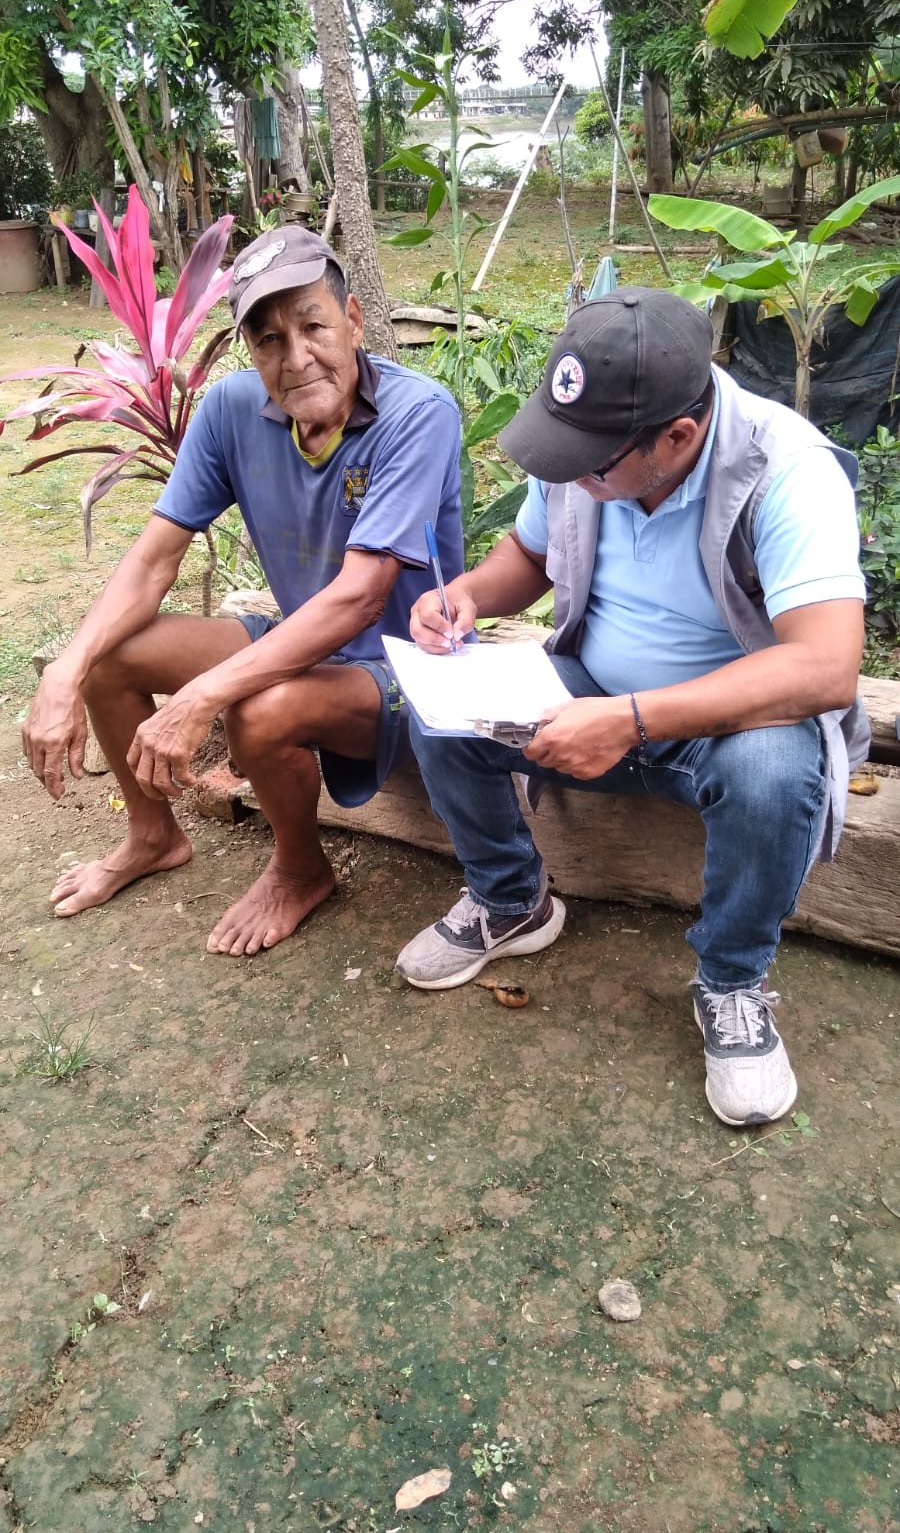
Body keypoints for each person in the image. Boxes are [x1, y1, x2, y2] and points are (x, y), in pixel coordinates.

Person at [395, 287, 869, 1128]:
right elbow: (529, 556)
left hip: (729, 725)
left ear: (677, 437)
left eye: (592, 464)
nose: (570, 475)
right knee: (440, 708)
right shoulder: (593, 446)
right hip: (591, 692)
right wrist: (467, 595)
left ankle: (731, 982)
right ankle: (511, 901)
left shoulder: (788, 471)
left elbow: (826, 666)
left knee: (773, 775)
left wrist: (633, 720)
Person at [22, 226, 464, 955]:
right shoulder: (231, 411)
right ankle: (153, 836)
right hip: (298, 641)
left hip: (404, 667)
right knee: (109, 657)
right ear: (250, 353)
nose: (297, 358)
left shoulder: (417, 414)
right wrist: (66, 670)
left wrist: (201, 697)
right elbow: (155, 559)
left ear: (353, 321)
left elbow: (360, 597)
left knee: (256, 707)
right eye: (269, 341)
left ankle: (300, 870)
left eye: (314, 327)